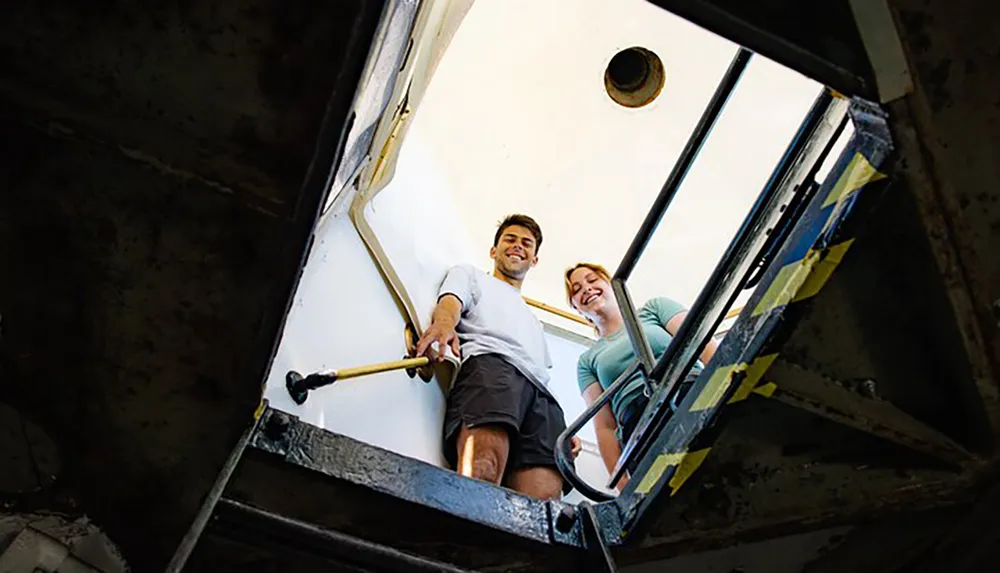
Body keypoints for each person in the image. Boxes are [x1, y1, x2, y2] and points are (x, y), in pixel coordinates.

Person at [416, 214, 579, 500]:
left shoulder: (533, 320)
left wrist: (565, 427)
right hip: (493, 366)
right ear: (494, 251)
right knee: (483, 469)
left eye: (526, 243)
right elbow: (451, 302)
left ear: (534, 259)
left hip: (542, 397)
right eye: (510, 239)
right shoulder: (470, 275)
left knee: (545, 504)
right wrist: (443, 324)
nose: (518, 246)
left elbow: (541, 370)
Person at [564, 262, 718, 489]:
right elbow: (604, 425)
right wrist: (620, 482)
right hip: (639, 427)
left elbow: (702, 344)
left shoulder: (655, 309)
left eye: (592, 279)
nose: (586, 289)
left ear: (610, 284)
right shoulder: (588, 361)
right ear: (577, 308)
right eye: (576, 290)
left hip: (686, 392)